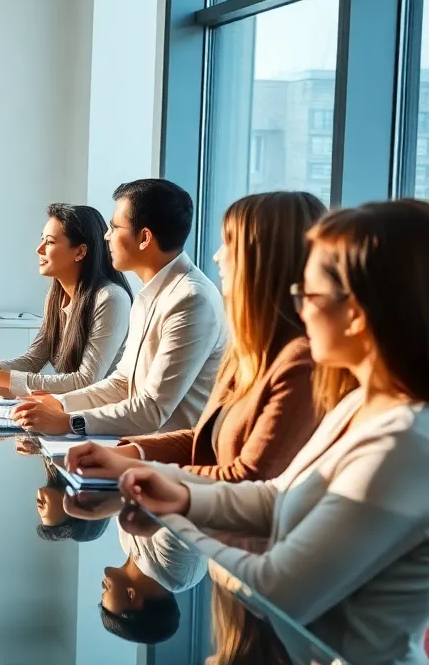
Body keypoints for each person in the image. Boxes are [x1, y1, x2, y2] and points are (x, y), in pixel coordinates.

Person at [118, 200, 429, 665]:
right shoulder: (360, 402)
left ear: (358, 314)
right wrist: (178, 494)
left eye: (311, 295)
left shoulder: (403, 443)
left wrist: (174, 519)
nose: (300, 310)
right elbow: (277, 496)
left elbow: (275, 591)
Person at [67, 192, 348, 483]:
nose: (217, 255)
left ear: (264, 260)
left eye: (229, 243)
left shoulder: (298, 364)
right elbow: (204, 440)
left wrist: (134, 468)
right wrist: (128, 454)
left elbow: (247, 477)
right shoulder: (248, 353)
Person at [14, 179, 226, 437]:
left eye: (114, 227)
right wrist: (59, 403)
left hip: (172, 461)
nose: (106, 236)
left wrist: (69, 421)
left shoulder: (191, 299)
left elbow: (152, 410)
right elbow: (122, 384)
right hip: (138, 448)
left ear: (145, 237)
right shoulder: (150, 294)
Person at [0, 203, 131, 395]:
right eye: (42, 240)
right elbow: (33, 361)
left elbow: (86, 381)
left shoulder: (110, 299)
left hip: (101, 420)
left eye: (49, 242)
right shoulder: (56, 296)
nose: (39, 249)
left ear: (80, 252)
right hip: (69, 413)